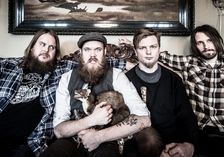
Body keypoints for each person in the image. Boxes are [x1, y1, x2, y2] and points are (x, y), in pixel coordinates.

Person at [0, 29, 129, 157]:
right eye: (42, 44)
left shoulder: (60, 68)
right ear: (32, 46)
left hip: (28, 141)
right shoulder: (8, 65)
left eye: (52, 47)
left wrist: (130, 52)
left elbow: (95, 62)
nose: (46, 50)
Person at [40, 32, 151, 157]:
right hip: (71, 139)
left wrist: (98, 137)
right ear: (81, 53)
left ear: (104, 52)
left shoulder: (117, 75)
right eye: (87, 50)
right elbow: (59, 130)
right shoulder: (66, 78)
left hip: (107, 140)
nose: (92, 55)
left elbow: (144, 118)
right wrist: (92, 120)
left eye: (97, 50)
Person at [158, 24, 224, 157]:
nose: (206, 46)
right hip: (200, 129)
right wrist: (132, 47)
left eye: (209, 40)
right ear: (196, 46)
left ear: (217, 40)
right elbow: (157, 55)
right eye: (200, 43)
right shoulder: (189, 63)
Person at [124, 28, 198, 157]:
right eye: (142, 48)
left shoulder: (174, 79)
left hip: (172, 142)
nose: (148, 52)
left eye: (153, 46)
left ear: (159, 49)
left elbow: (186, 116)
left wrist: (188, 144)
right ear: (135, 51)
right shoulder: (126, 80)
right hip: (143, 141)